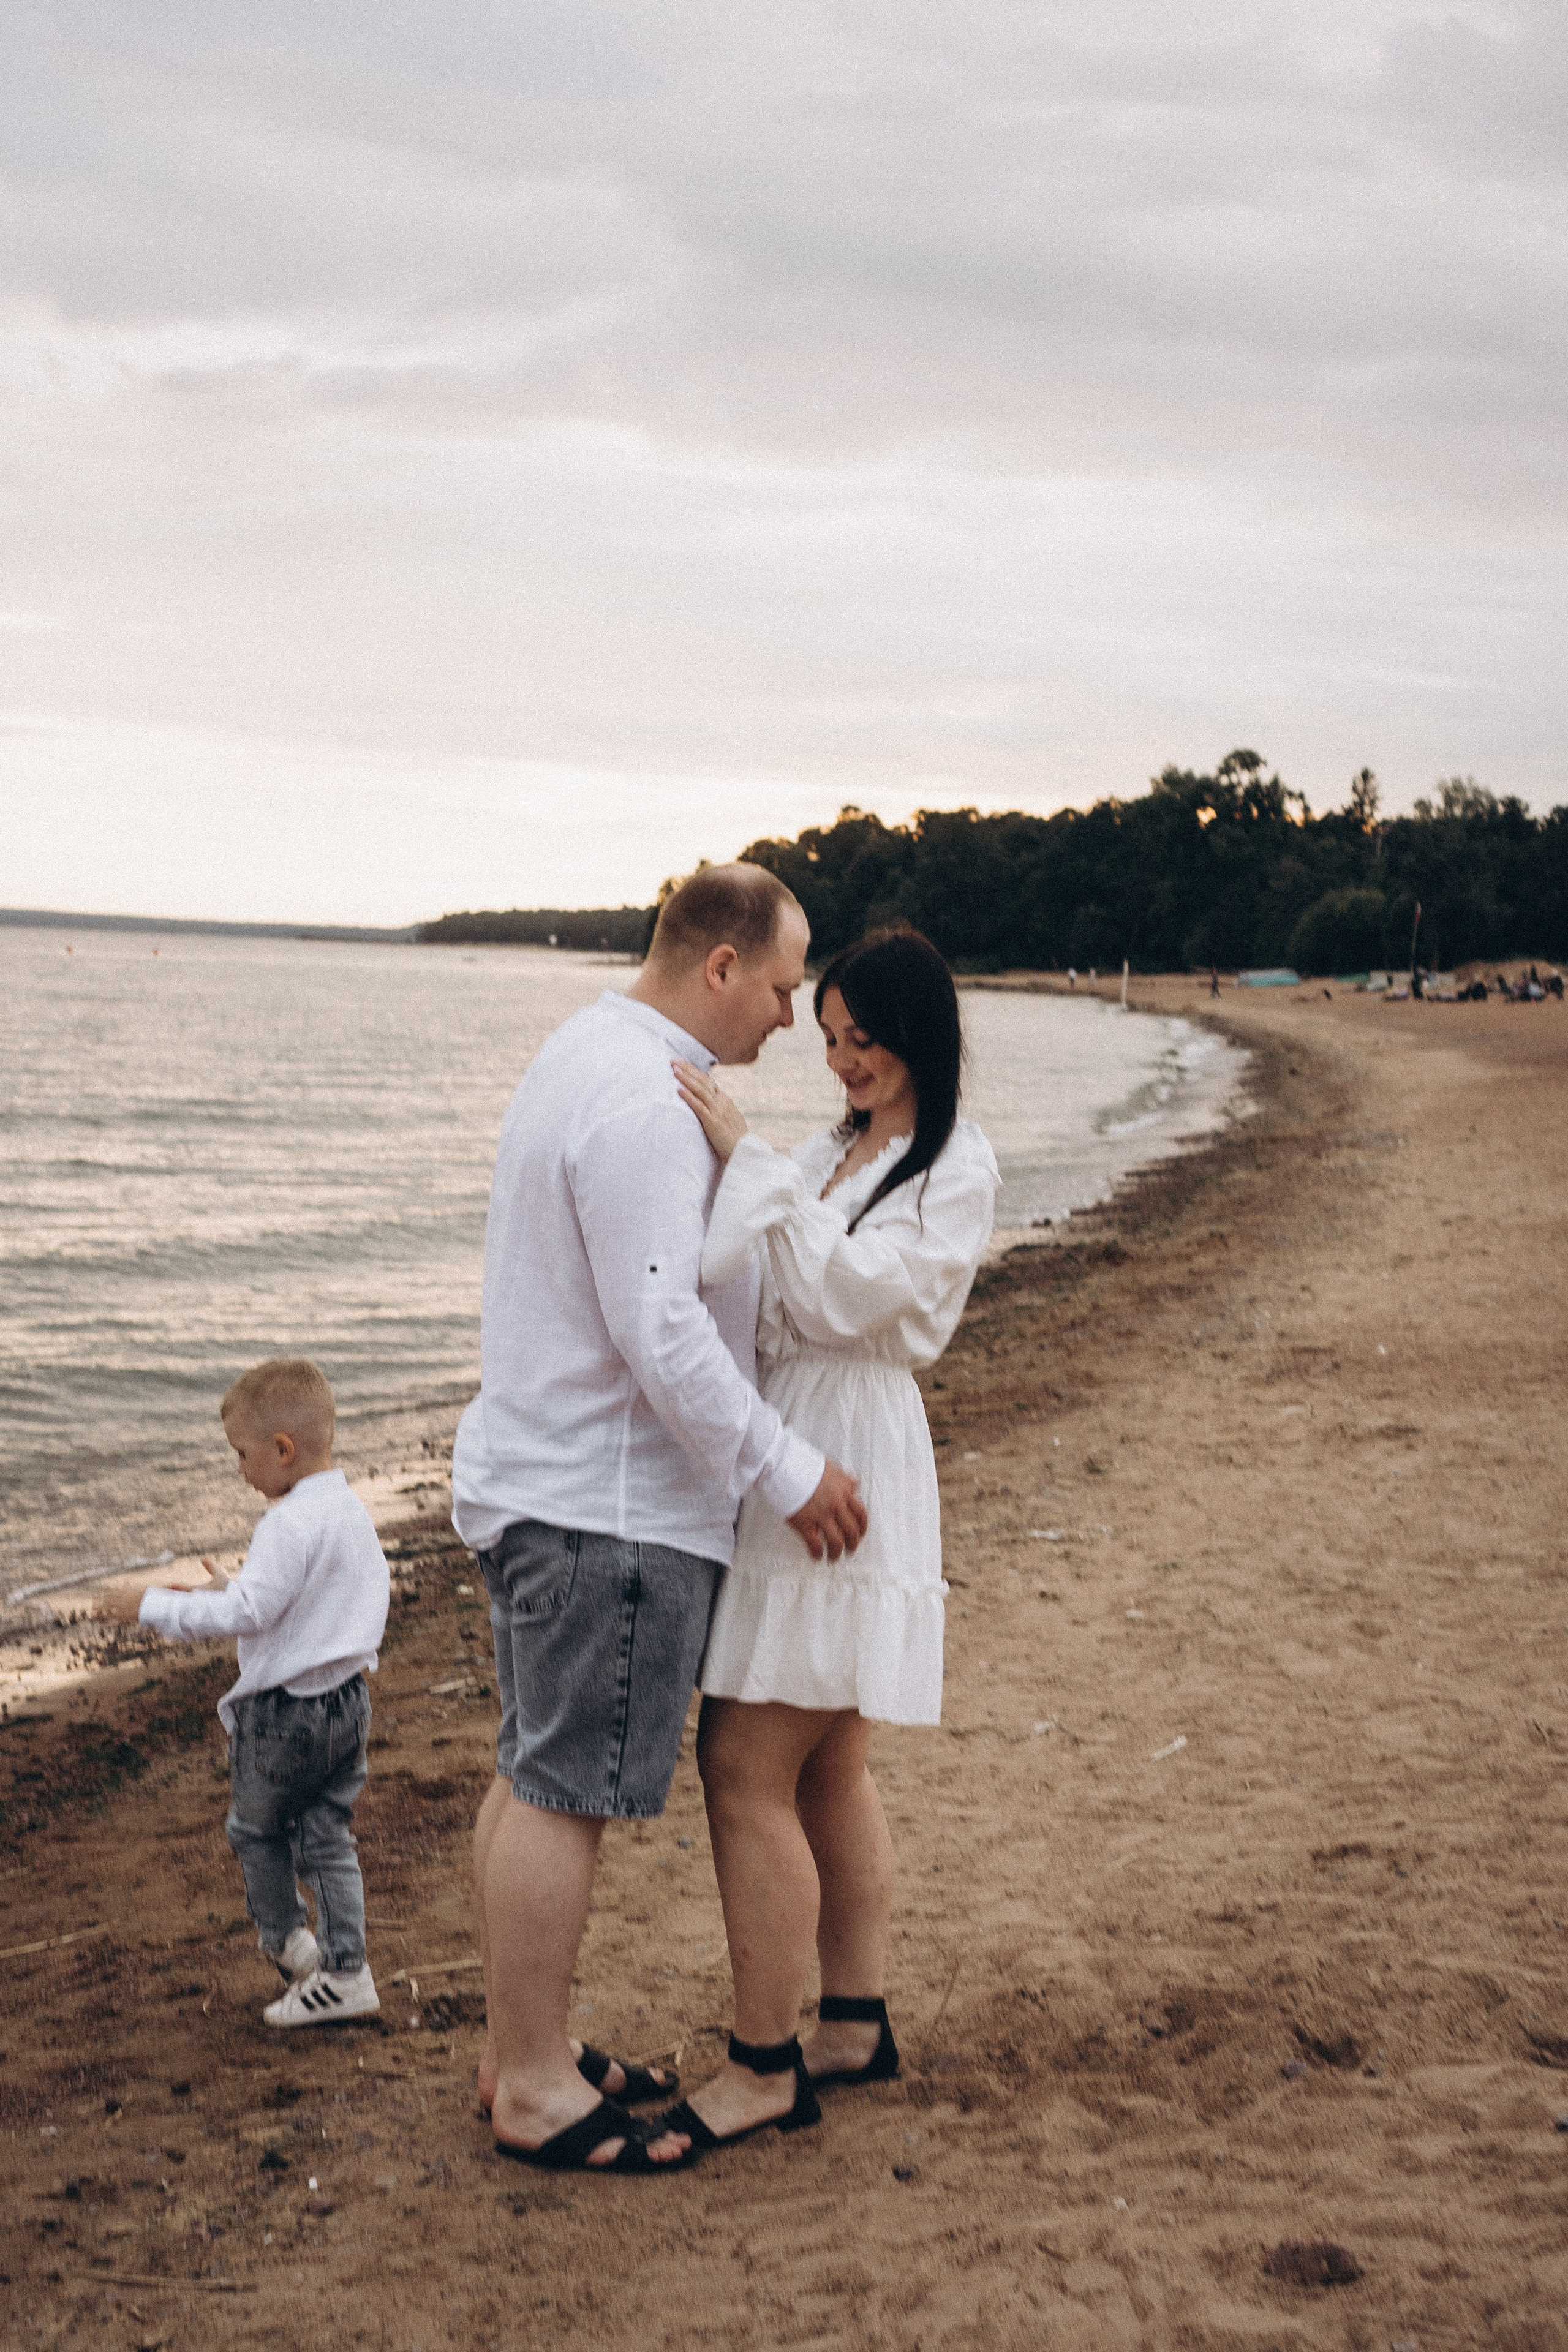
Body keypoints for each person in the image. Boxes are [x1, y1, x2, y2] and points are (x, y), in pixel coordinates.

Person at [455, 864, 868, 2175]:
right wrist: (784, 1469)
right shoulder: (642, 1096)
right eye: (787, 988)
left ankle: (520, 2044)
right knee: (562, 1797)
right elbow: (656, 1326)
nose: (793, 1023)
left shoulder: (586, 1050)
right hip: (607, 1506)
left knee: (530, 1776)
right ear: (721, 966)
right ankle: (528, 2079)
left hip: (550, 1480)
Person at [658, 927, 998, 2162]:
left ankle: (762, 2065)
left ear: (919, 1035)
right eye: (832, 1038)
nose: (844, 1059)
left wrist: (753, 1168)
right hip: (792, 1433)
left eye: (864, 1038)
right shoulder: (825, 1149)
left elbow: (861, 1301)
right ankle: (850, 2025)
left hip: (847, 1442)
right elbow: (752, 1277)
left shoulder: (952, 1163)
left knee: (743, 1756)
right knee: (824, 1766)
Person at [96, 1357, 389, 2027]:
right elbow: (305, 1601)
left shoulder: (286, 1524)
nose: (240, 1471)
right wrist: (229, 1588)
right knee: (327, 1838)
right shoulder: (347, 1510)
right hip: (346, 1701)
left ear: (282, 1449)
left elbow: (250, 1617)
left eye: (242, 1455)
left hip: (287, 1713)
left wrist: (149, 1606)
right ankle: (347, 1971)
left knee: (256, 1831)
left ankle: (291, 1946)